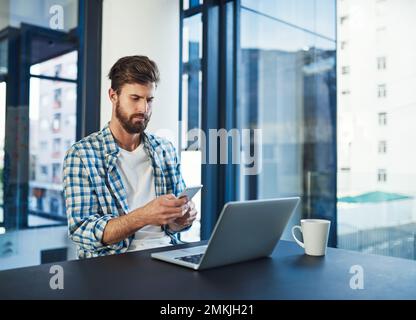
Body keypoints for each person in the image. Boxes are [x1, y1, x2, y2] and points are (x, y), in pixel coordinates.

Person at [63, 55, 197, 259]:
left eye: (149, 100)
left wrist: (180, 220)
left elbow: (173, 225)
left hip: (167, 254)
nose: (144, 109)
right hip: (113, 264)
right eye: (135, 98)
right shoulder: (82, 155)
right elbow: (82, 231)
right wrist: (143, 216)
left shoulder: (165, 150)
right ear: (113, 95)